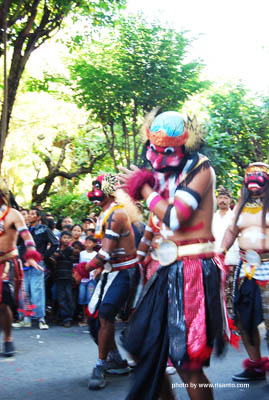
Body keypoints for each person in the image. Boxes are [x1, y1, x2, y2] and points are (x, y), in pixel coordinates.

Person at [118, 111, 229, 400]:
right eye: (154, 149)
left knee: (186, 362)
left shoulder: (200, 169)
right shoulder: (164, 176)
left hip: (192, 271)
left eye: (166, 150)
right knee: (145, 350)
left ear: (183, 146)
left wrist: (143, 189)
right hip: (164, 270)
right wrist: (142, 255)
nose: (158, 156)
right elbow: (157, 225)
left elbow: (175, 217)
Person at [74, 174, 139, 390]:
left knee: (105, 314)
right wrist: (98, 267)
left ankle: (101, 364)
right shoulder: (104, 213)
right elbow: (106, 254)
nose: (95, 193)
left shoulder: (116, 214)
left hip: (125, 272)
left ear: (109, 191)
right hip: (112, 271)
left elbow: (106, 253)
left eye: (98, 188)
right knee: (92, 317)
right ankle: (115, 359)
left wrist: (82, 270)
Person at [221, 162, 269, 381]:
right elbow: (231, 231)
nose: (254, 177)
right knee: (244, 318)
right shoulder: (241, 204)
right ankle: (256, 365)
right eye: (250, 173)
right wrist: (220, 253)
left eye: (259, 172)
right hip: (246, 267)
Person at [0, 179, 42, 356]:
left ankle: (8, 339)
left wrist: (32, 256)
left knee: (2, 303)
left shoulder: (13, 214)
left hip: (6, 263)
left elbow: (27, 237)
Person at [17, 207, 59, 329]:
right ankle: (26, 318)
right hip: (24, 264)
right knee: (25, 292)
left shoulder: (43, 229)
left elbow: (55, 243)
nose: (29, 216)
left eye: (32, 214)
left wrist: (44, 256)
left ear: (38, 217)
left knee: (37, 290)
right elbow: (18, 243)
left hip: (37, 264)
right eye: (28, 214)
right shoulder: (24, 230)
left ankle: (41, 319)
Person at [212, 185, 240, 315]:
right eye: (220, 198)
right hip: (214, 260)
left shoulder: (235, 217)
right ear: (216, 200)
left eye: (225, 198)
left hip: (232, 259)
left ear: (230, 200)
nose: (222, 200)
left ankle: (231, 320)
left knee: (231, 290)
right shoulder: (212, 217)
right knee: (216, 289)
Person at [52, 231, 74, 327]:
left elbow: (64, 256)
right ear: (60, 239)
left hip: (68, 277)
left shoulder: (70, 250)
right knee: (61, 297)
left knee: (68, 297)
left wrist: (58, 255)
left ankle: (68, 318)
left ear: (71, 240)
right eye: (64, 237)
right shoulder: (57, 250)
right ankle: (63, 317)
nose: (66, 239)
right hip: (59, 276)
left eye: (68, 238)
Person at [77, 235, 98, 325]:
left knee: (90, 298)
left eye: (90, 242)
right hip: (83, 279)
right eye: (86, 242)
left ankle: (89, 318)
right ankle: (84, 317)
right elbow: (79, 265)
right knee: (82, 298)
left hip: (91, 279)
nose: (87, 244)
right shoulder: (82, 253)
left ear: (94, 244)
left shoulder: (96, 254)